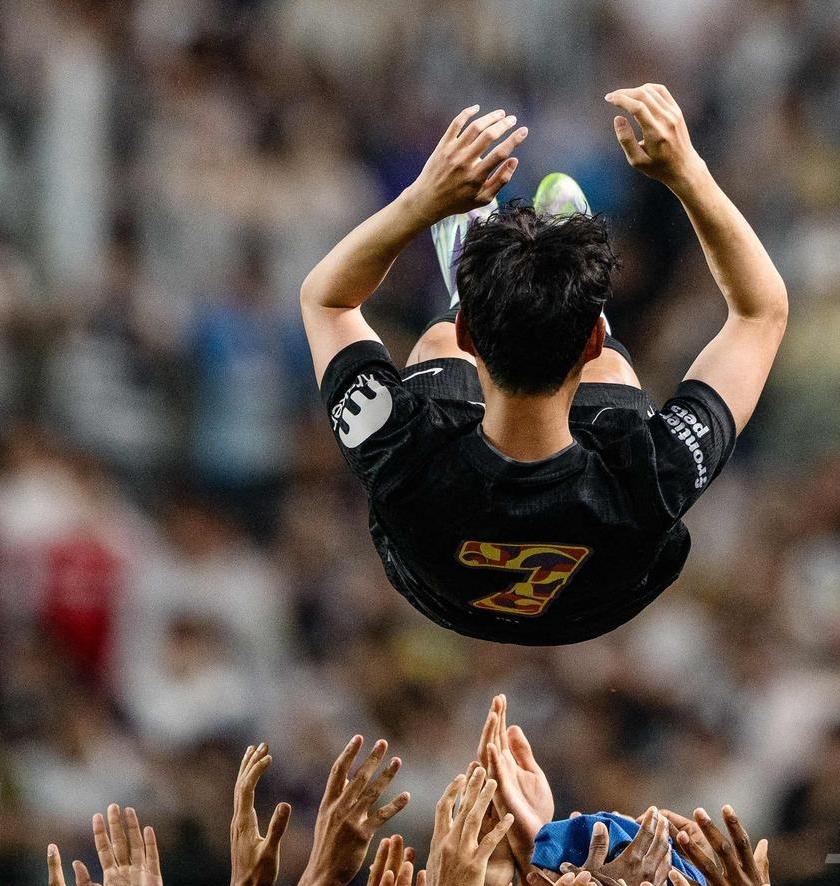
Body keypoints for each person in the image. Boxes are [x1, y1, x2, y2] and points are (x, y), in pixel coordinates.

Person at [300, 85, 788, 644]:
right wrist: (688, 172)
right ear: (593, 338)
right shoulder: (646, 474)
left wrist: (422, 201)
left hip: (445, 592)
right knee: (612, 381)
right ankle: (555, 293)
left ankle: (480, 294)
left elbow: (327, 300)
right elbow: (760, 312)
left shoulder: (406, 452)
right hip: (598, 601)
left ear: (470, 337)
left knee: (433, 348)